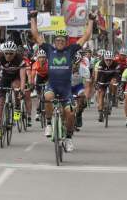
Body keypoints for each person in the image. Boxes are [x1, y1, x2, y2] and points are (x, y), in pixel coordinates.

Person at [30, 10, 95, 152]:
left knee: (71, 113)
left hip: (66, 90)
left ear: (66, 42)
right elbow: (35, 35)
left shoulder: (71, 50)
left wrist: (90, 20)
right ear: (54, 41)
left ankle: (69, 138)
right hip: (52, 86)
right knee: (47, 97)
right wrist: (33, 18)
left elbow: (86, 36)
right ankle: (48, 123)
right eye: (57, 40)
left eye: (62, 40)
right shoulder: (49, 49)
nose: (60, 42)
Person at [0, 41, 26, 140]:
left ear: (15, 53)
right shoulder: (0, 58)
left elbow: (23, 78)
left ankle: (17, 107)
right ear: (3, 52)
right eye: (6, 53)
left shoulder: (19, 59)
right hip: (5, 77)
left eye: (11, 53)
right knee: (1, 102)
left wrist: (22, 91)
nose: (8, 55)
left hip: (16, 77)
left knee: (16, 88)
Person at [95, 50, 119, 122]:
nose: (108, 62)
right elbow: (99, 75)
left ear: (112, 60)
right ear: (104, 59)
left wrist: (116, 81)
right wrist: (97, 83)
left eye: (110, 60)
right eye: (107, 60)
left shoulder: (116, 64)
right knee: (101, 94)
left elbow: (117, 75)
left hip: (112, 77)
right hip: (103, 77)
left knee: (113, 83)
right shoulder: (101, 64)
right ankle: (100, 112)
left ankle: (113, 96)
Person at [71, 52, 90, 129]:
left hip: (79, 86)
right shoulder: (64, 68)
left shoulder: (84, 69)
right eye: (72, 64)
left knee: (82, 100)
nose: (74, 66)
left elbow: (87, 85)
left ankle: (78, 115)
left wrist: (86, 97)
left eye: (77, 64)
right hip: (67, 86)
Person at [31, 49, 48, 121]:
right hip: (39, 77)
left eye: (44, 57)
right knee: (39, 96)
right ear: (38, 58)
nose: (42, 59)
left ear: (46, 58)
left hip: (48, 76)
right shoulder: (35, 64)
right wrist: (32, 84)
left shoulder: (49, 63)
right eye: (40, 57)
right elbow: (32, 75)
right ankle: (38, 112)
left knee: (48, 94)